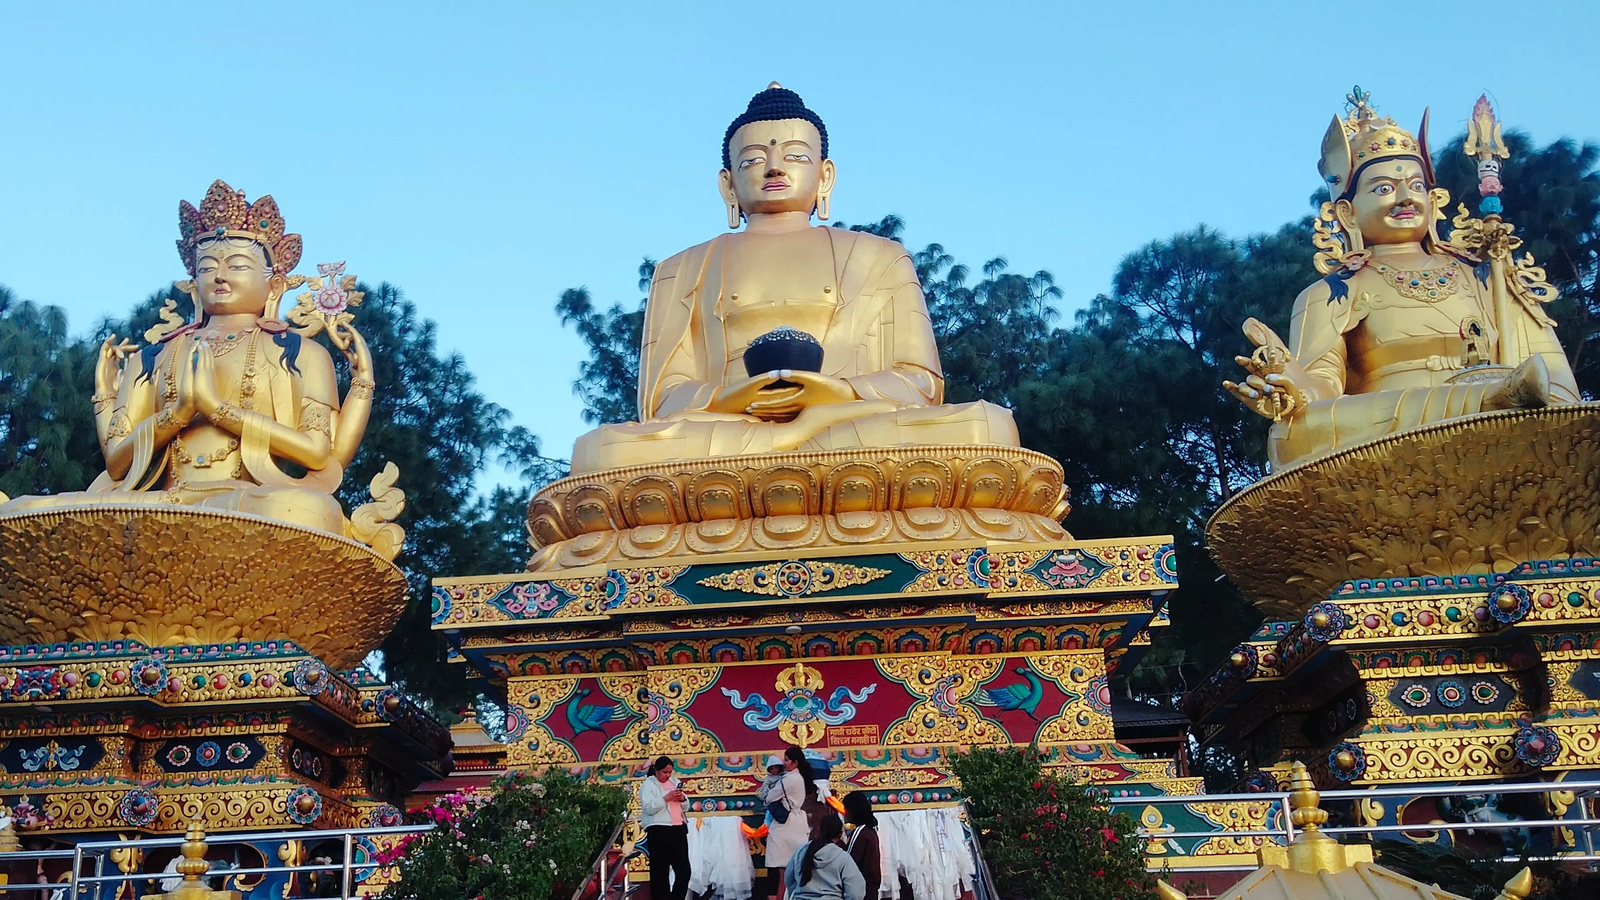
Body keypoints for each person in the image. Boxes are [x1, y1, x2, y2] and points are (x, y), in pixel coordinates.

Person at [766, 746, 817, 899]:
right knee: (795, 863)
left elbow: (769, 797)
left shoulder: (789, 780)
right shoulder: (800, 777)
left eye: (787, 760)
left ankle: (774, 896)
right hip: (796, 822)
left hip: (784, 825)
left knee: (773, 863)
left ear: (795, 762)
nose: (784, 763)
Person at [640, 756, 690, 900]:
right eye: (664, 772)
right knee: (660, 872)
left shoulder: (675, 782)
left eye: (669, 772)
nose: (667, 775)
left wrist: (682, 799)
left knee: (684, 871)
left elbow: (686, 806)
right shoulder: (648, 785)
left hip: (678, 829)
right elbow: (649, 808)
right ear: (656, 770)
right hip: (659, 831)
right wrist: (666, 798)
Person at [783, 814, 865, 900]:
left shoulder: (801, 851)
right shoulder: (843, 858)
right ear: (840, 834)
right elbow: (856, 891)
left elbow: (789, 880)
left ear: (819, 829)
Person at [842, 793, 881, 900]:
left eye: (846, 809)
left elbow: (848, 862)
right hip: (870, 890)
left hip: (862, 891)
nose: (845, 813)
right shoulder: (870, 831)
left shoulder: (860, 832)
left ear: (852, 810)